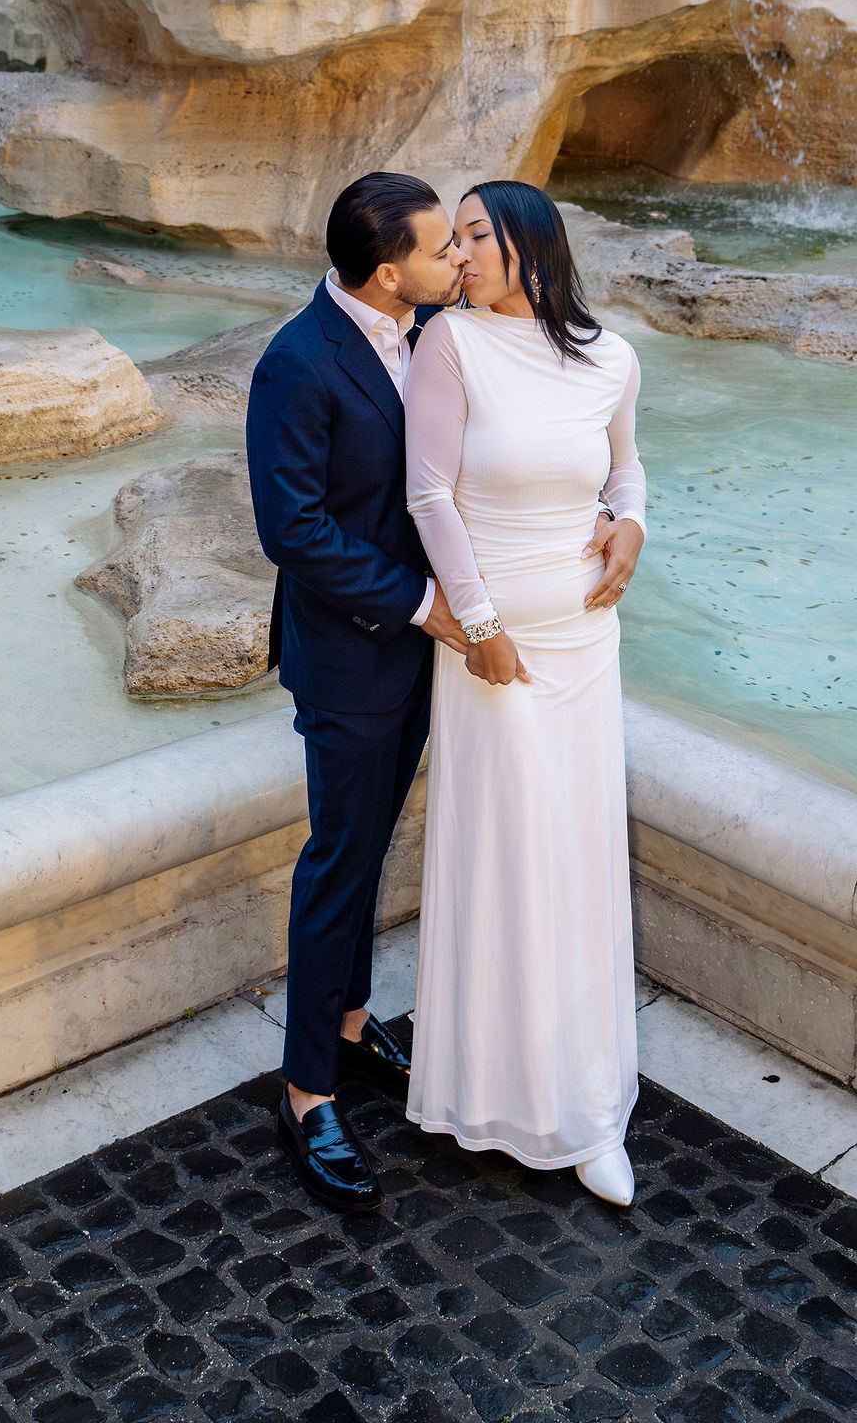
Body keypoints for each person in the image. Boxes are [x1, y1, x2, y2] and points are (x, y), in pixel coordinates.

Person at [403, 181, 647, 1203]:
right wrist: (482, 630)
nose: (457, 254)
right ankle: (490, 1092)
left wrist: (632, 527)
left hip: (587, 645)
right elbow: (427, 493)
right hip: (494, 652)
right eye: (451, 238)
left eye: (474, 235)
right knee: (506, 859)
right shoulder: (447, 345)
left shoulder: (611, 357)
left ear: (527, 246)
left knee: (577, 857)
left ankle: (586, 1106)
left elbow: (627, 474)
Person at [244, 173, 473, 1211]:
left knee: (374, 840)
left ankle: (345, 1021)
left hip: (413, 649)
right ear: (389, 274)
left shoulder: (420, 331)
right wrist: (422, 607)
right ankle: (304, 1092)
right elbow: (291, 532)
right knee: (337, 861)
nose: (457, 261)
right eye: (440, 251)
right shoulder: (295, 364)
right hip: (352, 656)